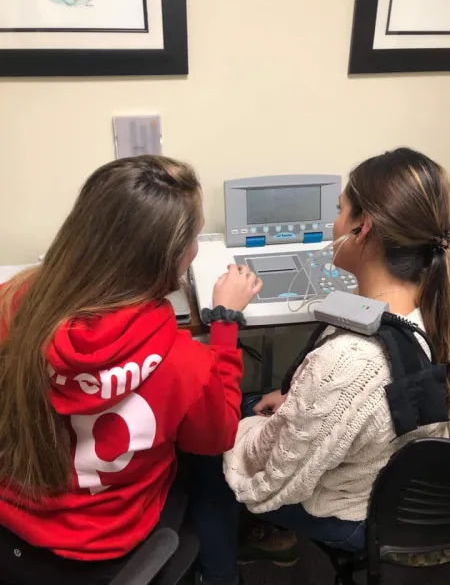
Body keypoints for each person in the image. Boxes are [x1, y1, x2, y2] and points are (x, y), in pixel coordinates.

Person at [190, 147, 450, 585]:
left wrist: (237, 427)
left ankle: (219, 576)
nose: (334, 224)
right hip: (409, 488)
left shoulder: (348, 361)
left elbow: (274, 479)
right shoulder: (434, 307)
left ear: (363, 228)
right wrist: (302, 401)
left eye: (340, 211)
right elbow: (393, 396)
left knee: (207, 448)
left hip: (359, 511)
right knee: (256, 405)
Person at [0, 155, 262, 584]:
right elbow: (217, 436)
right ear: (171, 258)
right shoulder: (185, 363)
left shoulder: (10, 302)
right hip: (111, 539)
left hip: (16, 528)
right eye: (194, 236)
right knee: (208, 462)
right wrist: (224, 325)